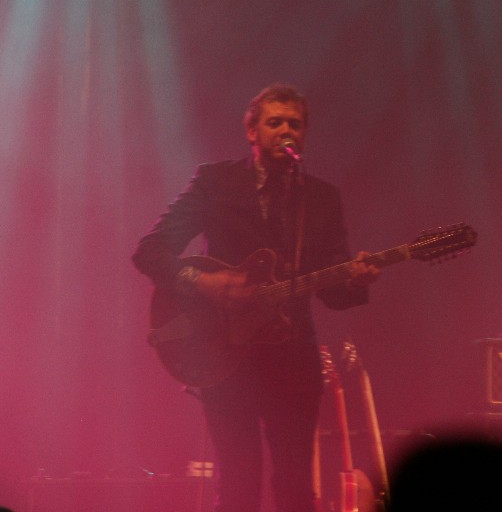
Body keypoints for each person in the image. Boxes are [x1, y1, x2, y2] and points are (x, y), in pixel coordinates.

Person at [133, 83, 380, 512]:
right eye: (275, 122)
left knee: (296, 487)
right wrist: (201, 282)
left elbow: (334, 294)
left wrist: (357, 279)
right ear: (252, 132)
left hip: (293, 364)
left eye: (295, 124)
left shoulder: (321, 199)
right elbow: (149, 251)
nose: (286, 131)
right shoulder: (215, 182)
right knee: (238, 486)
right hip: (226, 357)